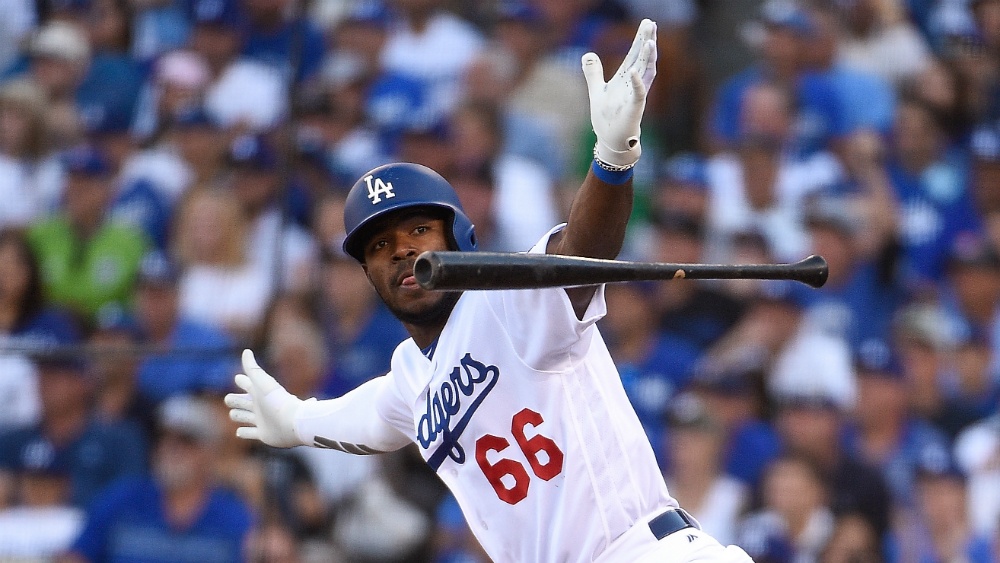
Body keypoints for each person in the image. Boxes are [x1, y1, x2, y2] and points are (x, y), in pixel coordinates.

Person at [226, 19, 756, 563]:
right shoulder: (410, 377)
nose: (401, 251)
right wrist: (295, 420)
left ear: (459, 236)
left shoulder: (507, 298)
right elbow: (370, 418)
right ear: (367, 272)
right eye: (380, 245)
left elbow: (580, 254)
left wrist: (611, 161)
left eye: (418, 230)